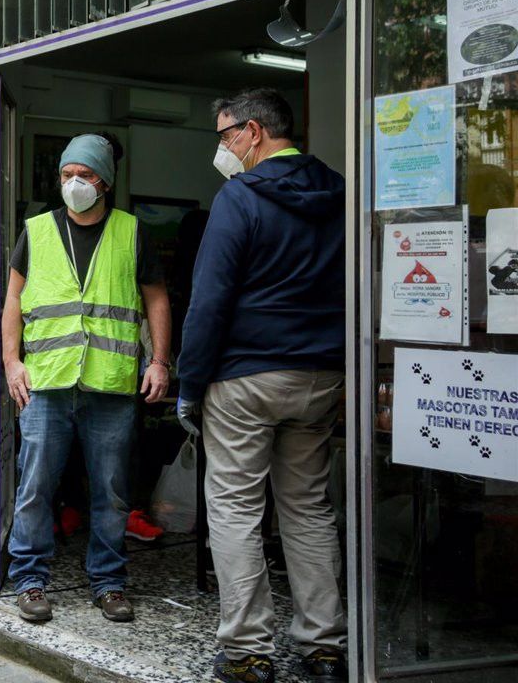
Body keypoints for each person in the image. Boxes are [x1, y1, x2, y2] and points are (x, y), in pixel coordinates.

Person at [176, 88, 347, 683]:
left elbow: (210, 300)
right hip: (322, 374)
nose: (222, 149)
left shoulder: (240, 195)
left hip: (246, 377)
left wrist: (190, 384)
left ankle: (249, 653)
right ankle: (324, 646)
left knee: (236, 510)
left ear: (253, 132)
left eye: (224, 136)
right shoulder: (338, 190)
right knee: (309, 509)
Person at [2, 133, 171, 624]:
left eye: (85, 175)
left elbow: (156, 299)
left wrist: (159, 360)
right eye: (66, 174)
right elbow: (13, 299)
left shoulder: (131, 232)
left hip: (111, 386)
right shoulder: (36, 231)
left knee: (113, 492)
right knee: (34, 486)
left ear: (105, 182)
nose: (73, 183)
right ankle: (30, 580)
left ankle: (109, 583)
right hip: (47, 383)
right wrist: (12, 362)